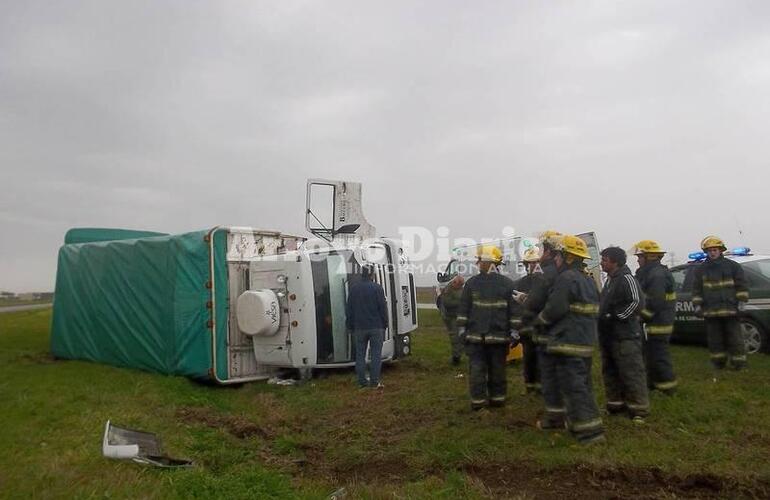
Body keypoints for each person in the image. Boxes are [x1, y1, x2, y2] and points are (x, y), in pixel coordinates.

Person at [533, 235, 605, 444]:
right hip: (583, 342)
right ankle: (579, 425)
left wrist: (539, 320)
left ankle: (590, 434)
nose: (556, 259)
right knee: (582, 385)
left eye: (559, 255)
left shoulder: (566, 278)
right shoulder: (588, 279)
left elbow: (555, 308)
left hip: (568, 341)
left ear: (569, 258)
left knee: (575, 388)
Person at [456, 245, 517, 410]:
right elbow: (464, 308)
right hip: (478, 338)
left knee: (495, 371)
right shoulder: (472, 284)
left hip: (494, 337)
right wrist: (462, 328)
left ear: (491, 262)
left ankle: (496, 401)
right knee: (479, 371)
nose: (477, 263)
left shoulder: (507, 285)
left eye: (480, 260)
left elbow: (514, 310)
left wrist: (515, 331)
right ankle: (479, 403)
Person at [598, 246, 650, 423]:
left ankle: (638, 410)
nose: (602, 262)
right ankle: (615, 404)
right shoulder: (609, 280)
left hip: (625, 336)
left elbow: (637, 302)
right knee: (610, 371)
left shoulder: (627, 279)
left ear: (615, 262)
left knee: (631, 372)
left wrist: (616, 316)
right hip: (609, 336)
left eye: (605, 260)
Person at [692, 236, 750, 371]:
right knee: (715, 340)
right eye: (710, 250)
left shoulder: (733, 266)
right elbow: (697, 289)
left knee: (735, 338)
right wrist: (698, 304)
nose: (713, 252)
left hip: (731, 310)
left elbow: (742, 285)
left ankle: (739, 364)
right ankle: (718, 363)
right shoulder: (700, 269)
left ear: (721, 250)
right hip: (711, 311)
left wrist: (742, 301)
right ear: (706, 252)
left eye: (715, 250)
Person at [632, 240, 678, 394]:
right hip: (653, 322)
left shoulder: (657, 274)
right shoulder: (648, 272)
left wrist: (642, 317)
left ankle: (667, 389)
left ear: (649, 257)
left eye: (640, 256)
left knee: (659, 356)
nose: (638, 260)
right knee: (651, 355)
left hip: (658, 322)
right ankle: (653, 384)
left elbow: (655, 301)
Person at [346, 264, 389, 388]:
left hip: (359, 327)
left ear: (362, 274)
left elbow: (349, 310)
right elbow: (383, 308)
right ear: (372, 274)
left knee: (360, 355)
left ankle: (362, 382)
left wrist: (349, 325)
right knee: (376, 355)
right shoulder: (377, 288)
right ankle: (374, 382)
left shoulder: (354, 289)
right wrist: (385, 323)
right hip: (376, 326)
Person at [512, 245, 544, 394]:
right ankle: (530, 387)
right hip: (526, 327)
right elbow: (515, 308)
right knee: (529, 358)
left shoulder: (546, 281)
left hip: (543, 326)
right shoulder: (520, 283)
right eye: (530, 263)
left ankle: (542, 387)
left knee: (543, 358)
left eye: (536, 262)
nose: (533, 265)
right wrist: (516, 328)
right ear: (526, 265)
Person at [438, 275, 465, 366]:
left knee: (462, 336)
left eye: (462, 285)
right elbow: (447, 303)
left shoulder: (460, 289)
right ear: (455, 282)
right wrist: (461, 302)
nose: (461, 286)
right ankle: (456, 358)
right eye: (460, 284)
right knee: (455, 337)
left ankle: (459, 354)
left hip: (460, 316)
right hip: (451, 317)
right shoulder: (448, 290)